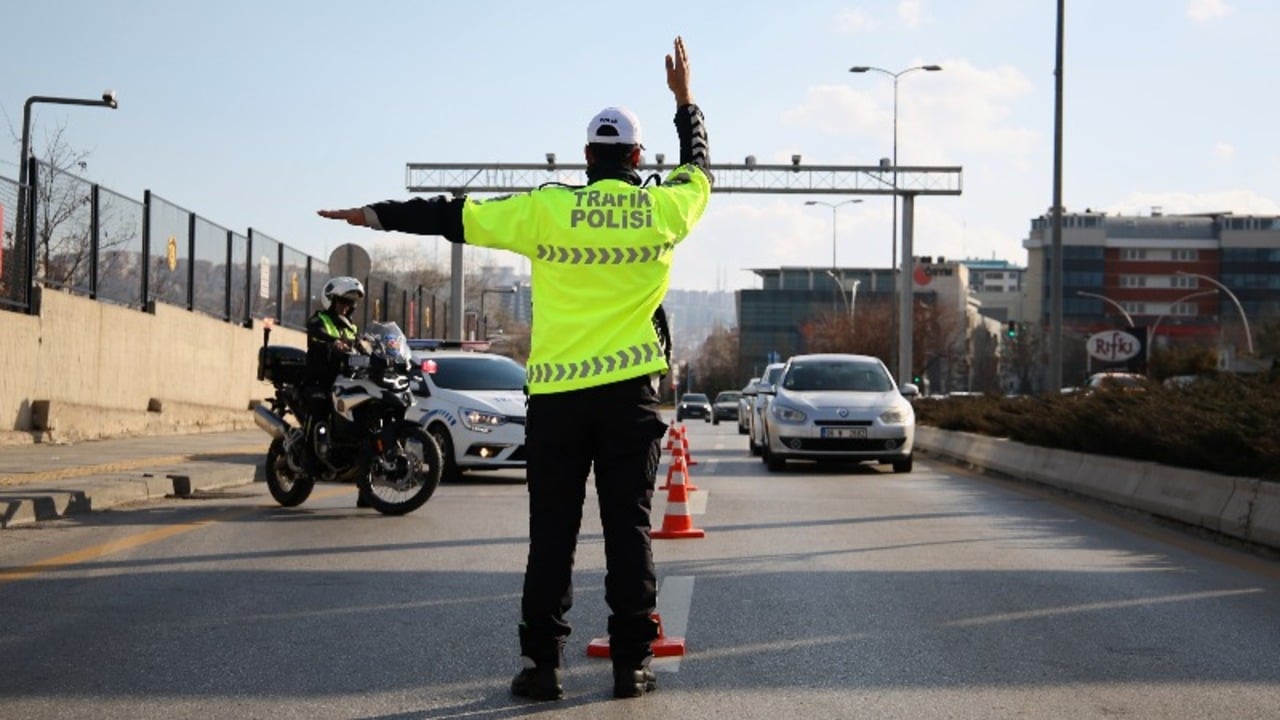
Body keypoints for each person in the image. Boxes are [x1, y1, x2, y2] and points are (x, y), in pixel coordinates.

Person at [318, 36, 711, 700]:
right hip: (629, 400)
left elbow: (452, 215)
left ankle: (542, 668)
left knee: (551, 536)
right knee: (630, 529)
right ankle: (630, 664)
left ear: (587, 158)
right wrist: (685, 100)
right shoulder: (664, 207)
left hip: (558, 400)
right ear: (639, 159)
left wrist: (372, 215)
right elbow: (701, 168)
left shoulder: (546, 207)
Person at [304, 276, 371, 506]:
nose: (346, 306)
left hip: (346, 383)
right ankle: (311, 457)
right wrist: (333, 342)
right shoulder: (319, 319)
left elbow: (362, 346)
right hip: (320, 381)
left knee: (364, 430)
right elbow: (316, 331)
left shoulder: (351, 327)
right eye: (342, 301)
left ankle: (366, 491)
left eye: (350, 303)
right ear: (330, 300)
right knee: (320, 409)